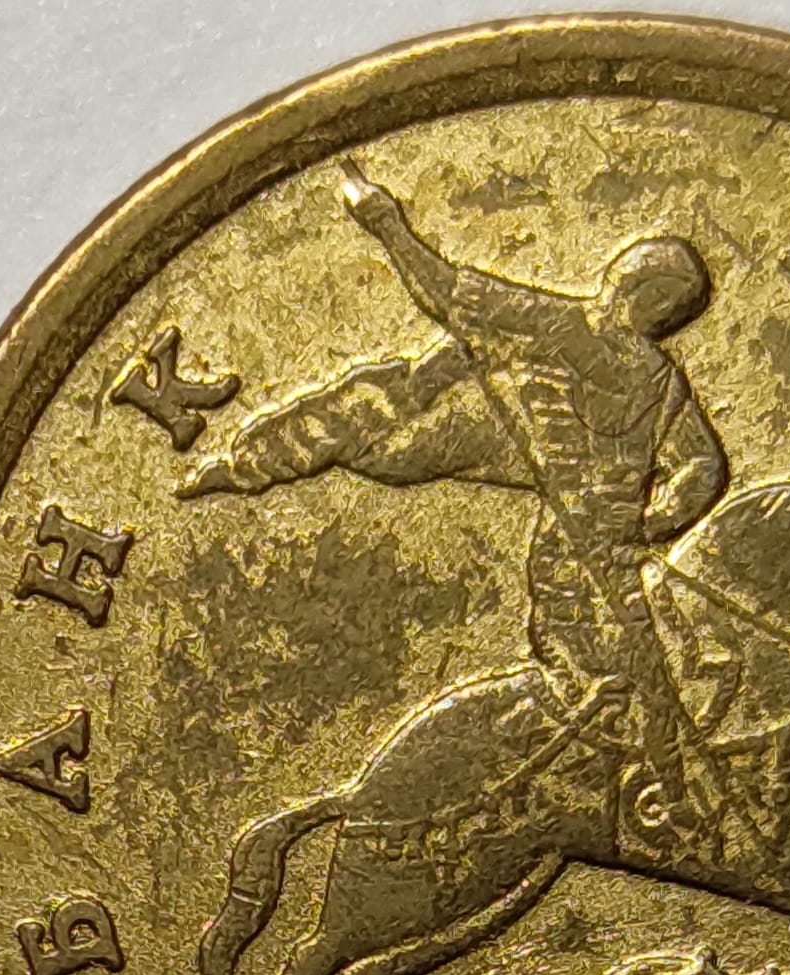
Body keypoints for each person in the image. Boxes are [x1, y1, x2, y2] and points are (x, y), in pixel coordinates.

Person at [185, 162, 731, 840]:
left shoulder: (652, 375)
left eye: (664, 301)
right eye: (657, 295)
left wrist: (647, 522)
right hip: (567, 534)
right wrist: (386, 225)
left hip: (601, 546)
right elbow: (446, 293)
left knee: (655, 663)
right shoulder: (565, 329)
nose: (652, 308)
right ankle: (607, 790)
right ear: (637, 289)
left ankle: (651, 787)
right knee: (382, 423)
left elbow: (703, 467)